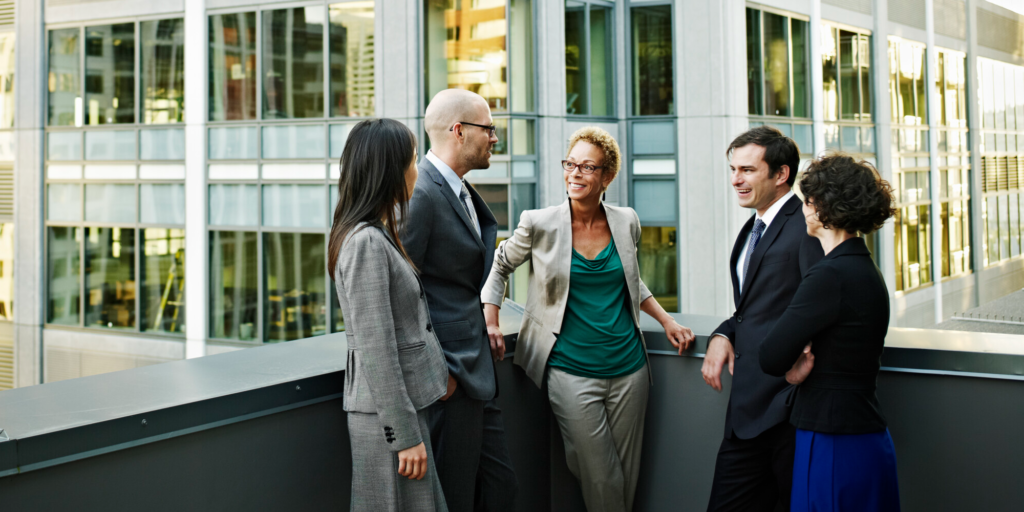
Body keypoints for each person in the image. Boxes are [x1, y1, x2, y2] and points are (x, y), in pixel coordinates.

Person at [481, 126, 696, 512]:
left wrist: (667, 322)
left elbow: (632, 281)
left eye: (587, 167)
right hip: (570, 370)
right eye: (570, 164)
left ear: (606, 177)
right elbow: (499, 267)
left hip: (630, 369)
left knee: (625, 476)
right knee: (602, 475)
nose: (575, 173)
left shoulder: (626, 220)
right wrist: (492, 320)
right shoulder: (539, 223)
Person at [759, 154, 901, 512]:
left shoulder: (829, 275)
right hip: (864, 434)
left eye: (808, 200)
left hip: (832, 436)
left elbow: (770, 356)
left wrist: (793, 373)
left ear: (823, 208)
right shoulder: (865, 269)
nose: (804, 208)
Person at [400, 89, 519, 512]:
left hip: (477, 372)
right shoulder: (421, 194)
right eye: (488, 128)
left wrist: (488, 317)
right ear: (458, 131)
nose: (494, 138)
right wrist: (440, 374)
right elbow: (402, 293)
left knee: (500, 490)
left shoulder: (458, 189)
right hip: (449, 378)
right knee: (453, 497)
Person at [328, 118, 450, 512]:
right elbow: (375, 347)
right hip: (388, 421)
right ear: (390, 171)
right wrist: (404, 435)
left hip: (400, 412)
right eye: (413, 161)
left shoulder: (376, 233)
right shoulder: (365, 242)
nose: (417, 170)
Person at [701, 126, 824, 512]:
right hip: (748, 414)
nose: (736, 179)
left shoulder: (805, 228)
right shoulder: (752, 228)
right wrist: (724, 333)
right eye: (733, 169)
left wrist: (791, 395)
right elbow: (754, 308)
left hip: (787, 416)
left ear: (781, 174)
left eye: (748, 170)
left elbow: (819, 310)